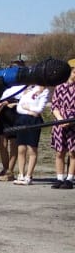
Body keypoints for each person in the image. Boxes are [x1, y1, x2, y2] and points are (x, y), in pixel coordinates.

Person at [12, 84, 49, 185]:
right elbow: (19, 107)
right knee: (21, 148)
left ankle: (29, 175)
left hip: (34, 121)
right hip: (22, 119)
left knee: (32, 149)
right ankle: (21, 174)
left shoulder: (44, 90)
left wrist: (29, 107)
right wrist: (29, 112)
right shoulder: (27, 88)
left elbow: (39, 109)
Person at [49, 60, 75, 189]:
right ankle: (59, 178)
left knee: (73, 152)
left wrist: (70, 120)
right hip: (60, 122)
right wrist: (60, 119)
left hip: (73, 123)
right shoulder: (59, 87)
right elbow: (54, 106)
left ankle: (70, 179)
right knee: (60, 152)